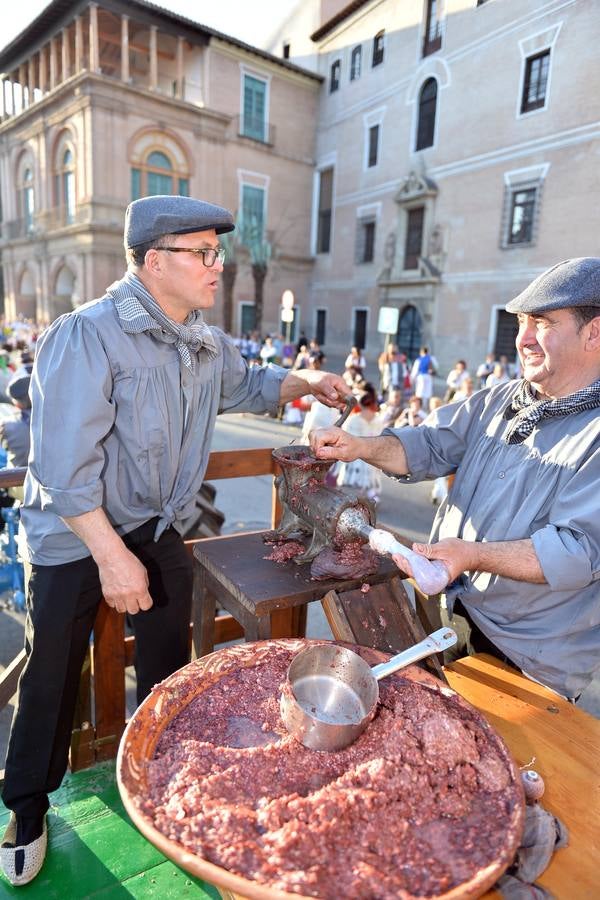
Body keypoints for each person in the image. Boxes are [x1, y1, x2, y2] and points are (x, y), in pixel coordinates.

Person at [0, 195, 349, 887]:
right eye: (204, 254)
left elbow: (249, 385)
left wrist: (307, 380)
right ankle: (28, 808)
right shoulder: (86, 334)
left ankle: (161, 774)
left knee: (170, 659)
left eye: (218, 253)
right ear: (155, 262)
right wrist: (110, 556)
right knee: (52, 671)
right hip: (76, 533)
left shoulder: (203, 338)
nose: (218, 266)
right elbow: (65, 476)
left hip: (157, 524)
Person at [310, 257, 600, 705]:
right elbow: (429, 444)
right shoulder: (503, 397)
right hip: (454, 611)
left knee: (508, 766)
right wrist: (360, 446)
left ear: (594, 333)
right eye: (522, 322)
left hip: (530, 657)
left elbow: (575, 551)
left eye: (542, 323)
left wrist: (469, 555)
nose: (523, 339)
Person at [336, 386, 382, 504]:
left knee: (350, 484)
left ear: (361, 404)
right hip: (371, 454)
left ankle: (348, 500)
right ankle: (371, 497)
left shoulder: (353, 419)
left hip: (354, 454)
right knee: (370, 479)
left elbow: (345, 435)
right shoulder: (378, 421)